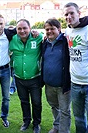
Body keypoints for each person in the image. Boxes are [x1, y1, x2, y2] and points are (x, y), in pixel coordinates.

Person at [9, 19, 43, 133]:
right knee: (24, 102)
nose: (22, 31)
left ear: (30, 28)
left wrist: (37, 32)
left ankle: (37, 123)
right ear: (16, 30)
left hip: (34, 78)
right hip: (19, 78)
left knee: (36, 102)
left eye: (25, 28)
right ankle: (26, 121)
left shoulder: (38, 37)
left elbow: (49, 36)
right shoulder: (12, 39)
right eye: (19, 28)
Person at [41, 18, 71, 133]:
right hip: (49, 84)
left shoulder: (65, 42)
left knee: (64, 111)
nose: (49, 31)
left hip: (63, 84)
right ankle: (57, 127)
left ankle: (64, 131)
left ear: (59, 29)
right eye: (47, 29)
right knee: (54, 107)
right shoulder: (45, 43)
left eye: (52, 29)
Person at [63, 2, 88, 133]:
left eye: (72, 13)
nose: (69, 16)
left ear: (79, 13)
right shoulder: (68, 31)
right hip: (75, 83)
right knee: (78, 118)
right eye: (66, 14)